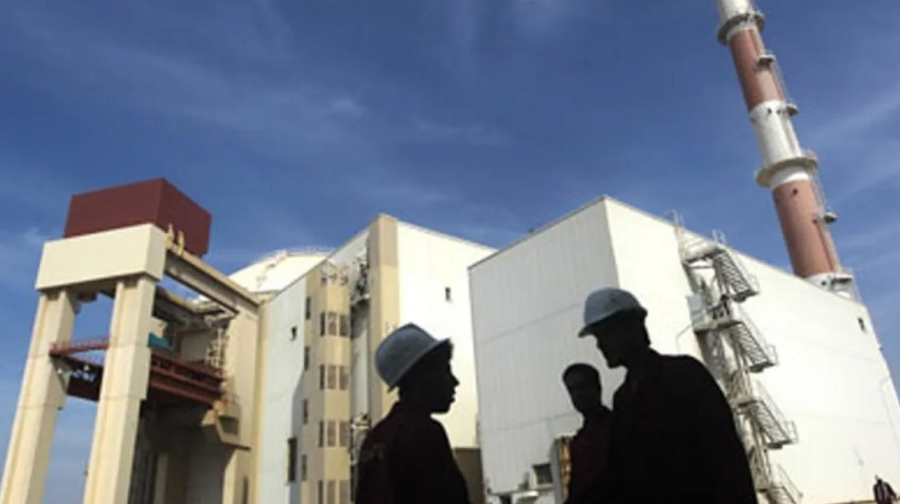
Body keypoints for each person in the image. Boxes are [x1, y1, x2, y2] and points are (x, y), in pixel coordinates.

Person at [577, 287, 757, 504]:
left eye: (606, 333)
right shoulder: (623, 400)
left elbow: (725, 455)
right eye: (597, 336)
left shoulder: (684, 376)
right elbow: (620, 474)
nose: (599, 345)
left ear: (633, 326)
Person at [354, 323, 471, 504]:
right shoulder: (425, 433)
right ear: (419, 378)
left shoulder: (374, 439)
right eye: (445, 371)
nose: (454, 382)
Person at [561, 363, 612, 504]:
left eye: (582, 387)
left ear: (597, 388)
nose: (578, 394)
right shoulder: (578, 442)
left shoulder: (617, 427)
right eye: (572, 390)